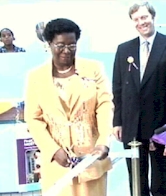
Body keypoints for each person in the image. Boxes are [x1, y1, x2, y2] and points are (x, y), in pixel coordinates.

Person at [24, 18, 113, 196]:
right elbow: (33, 119)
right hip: (57, 165)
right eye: (60, 45)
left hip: (91, 161)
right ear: (49, 44)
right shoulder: (36, 77)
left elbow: (105, 106)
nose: (66, 50)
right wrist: (52, 150)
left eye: (72, 45)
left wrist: (104, 142)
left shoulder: (94, 69)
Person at [112, 2, 166, 196]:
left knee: (162, 177)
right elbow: (118, 89)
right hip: (131, 124)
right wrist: (117, 121)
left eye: (144, 17)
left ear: (153, 17)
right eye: (136, 19)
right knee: (136, 178)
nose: (141, 22)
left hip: (161, 123)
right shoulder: (124, 49)